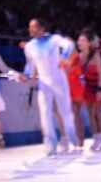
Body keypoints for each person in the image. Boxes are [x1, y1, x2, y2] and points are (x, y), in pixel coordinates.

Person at [19, 17, 78, 156]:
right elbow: (30, 65)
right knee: (45, 113)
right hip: (44, 83)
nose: (30, 29)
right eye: (29, 27)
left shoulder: (55, 39)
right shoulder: (29, 46)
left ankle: (72, 137)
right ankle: (50, 144)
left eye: (33, 27)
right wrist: (26, 75)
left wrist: (64, 56)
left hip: (59, 80)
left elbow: (69, 45)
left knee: (65, 112)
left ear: (42, 28)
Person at [76, 30, 101, 151]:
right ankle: (96, 139)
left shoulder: (96, 55)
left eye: (82, 40)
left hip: (99, 86)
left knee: (98, 113)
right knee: (90, 114)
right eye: (79, 40)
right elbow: (78, 74)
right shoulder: (79, 57)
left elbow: (100, 74)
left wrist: (100, 90)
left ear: (89, 43)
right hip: (88, 87)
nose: (79, 42)